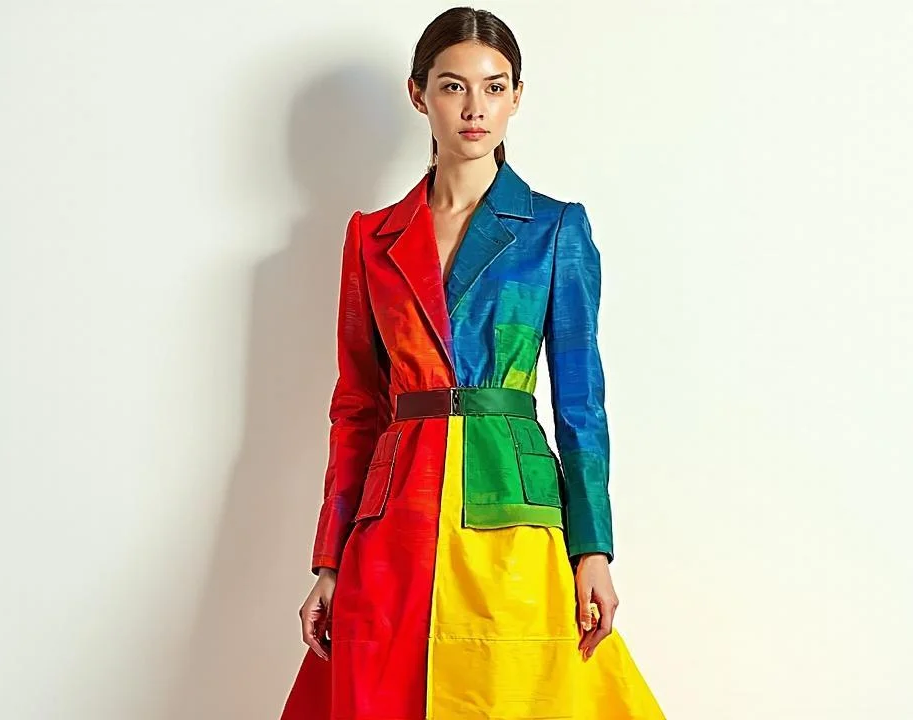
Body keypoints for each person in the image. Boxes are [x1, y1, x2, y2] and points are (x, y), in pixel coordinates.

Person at [280, 7, 664, 719]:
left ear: (517, 96)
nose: (474, 108)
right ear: (418, 94)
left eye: (493, 87)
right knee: (386, 694)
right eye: (453, 86)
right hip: (395, 516)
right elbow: (357, 406)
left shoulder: (555, 229)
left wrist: (594, 549)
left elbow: (581, 407)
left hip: (514, 510)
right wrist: (329, 559)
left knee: (516, 694)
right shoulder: (371, 239)